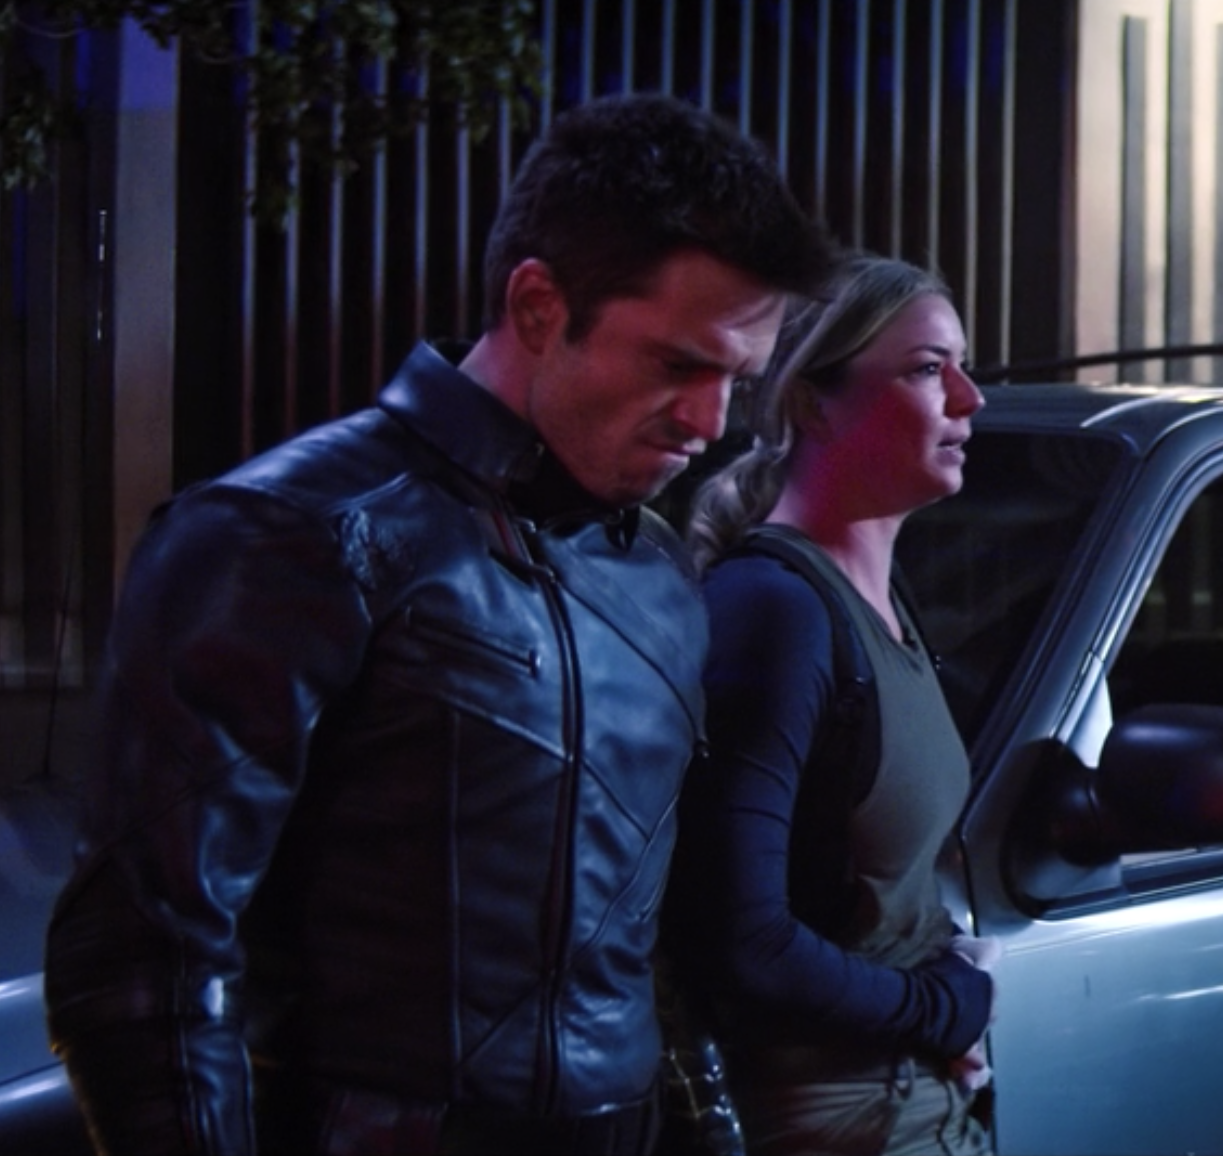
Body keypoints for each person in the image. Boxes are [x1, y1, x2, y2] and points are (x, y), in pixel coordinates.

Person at [44, 94, 833, 1155]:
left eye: (737, 380)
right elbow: (147, 954)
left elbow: (648, 946)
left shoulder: (653, 572)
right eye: (678, 364)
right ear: (541, 307)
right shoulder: (290, 532)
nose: (711, 423)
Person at [667, 253, 996, 1155]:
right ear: (814, 402)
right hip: (831, 1124)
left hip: (916, 1105)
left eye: (962, 366)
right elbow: (742, 940)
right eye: (929, 369)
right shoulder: (777, 612)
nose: (970, 398)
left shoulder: (884, 607)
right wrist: (943, 1007)